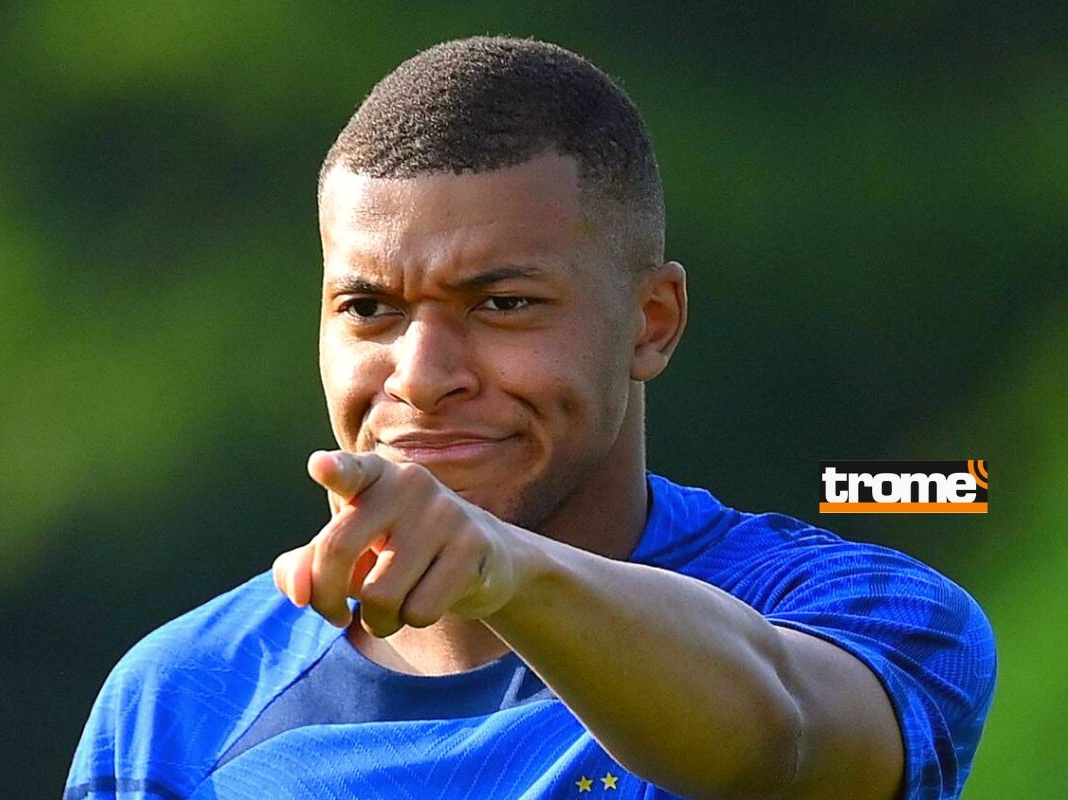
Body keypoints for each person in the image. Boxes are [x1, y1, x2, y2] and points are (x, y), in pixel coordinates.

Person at [64, 36, 996, 800]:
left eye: (502, 304)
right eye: (369, 308)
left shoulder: (858, 612)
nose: (421, 378)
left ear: (652, 322)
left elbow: (779, 755)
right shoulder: (177, 699)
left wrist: (506, 573)